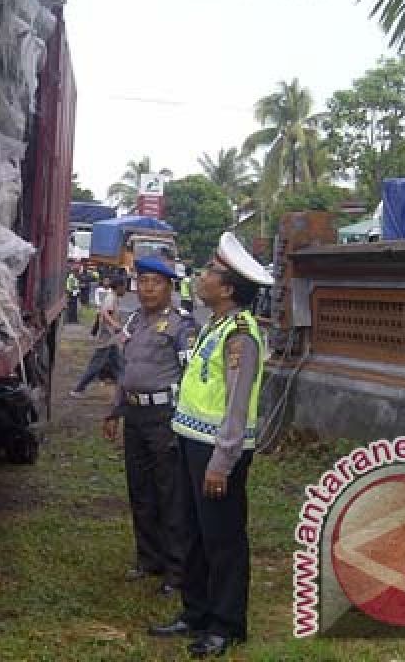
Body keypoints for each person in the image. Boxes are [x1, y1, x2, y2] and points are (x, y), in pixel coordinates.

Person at [150, 231, 271, 658]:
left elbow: (236, 407)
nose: (201, 278)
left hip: (218, 451)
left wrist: (222, 463)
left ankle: (226, 624)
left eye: (209, 272)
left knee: (222, 540)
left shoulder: (241, 335)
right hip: (191, 443)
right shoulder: (214, 326)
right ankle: (195, 612)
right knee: (192, 534)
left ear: (228, 286)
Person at [103, 256, 196, 596]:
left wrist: (182, 420)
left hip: (165, 418)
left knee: (170, 493)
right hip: (136, 416)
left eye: (155, 283)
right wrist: (115, 411)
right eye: (142, 282)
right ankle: (149, 559)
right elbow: (126, 371)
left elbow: (190, 376)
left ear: (169, 287)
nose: (147, 289)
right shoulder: (134, 322)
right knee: (140, 489)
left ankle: (176, 570)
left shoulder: (181, 325)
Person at [69, 276, 128, 398]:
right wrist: (115, 325)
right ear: (118, 287)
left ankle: (125, 390)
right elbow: (104, 314)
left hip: (111, 340)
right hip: (105, 340)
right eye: (124, 287)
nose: (125, 290)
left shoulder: (114, 298)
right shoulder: (110, 298)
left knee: (119, 365)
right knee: (95, 366)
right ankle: (78, 389)